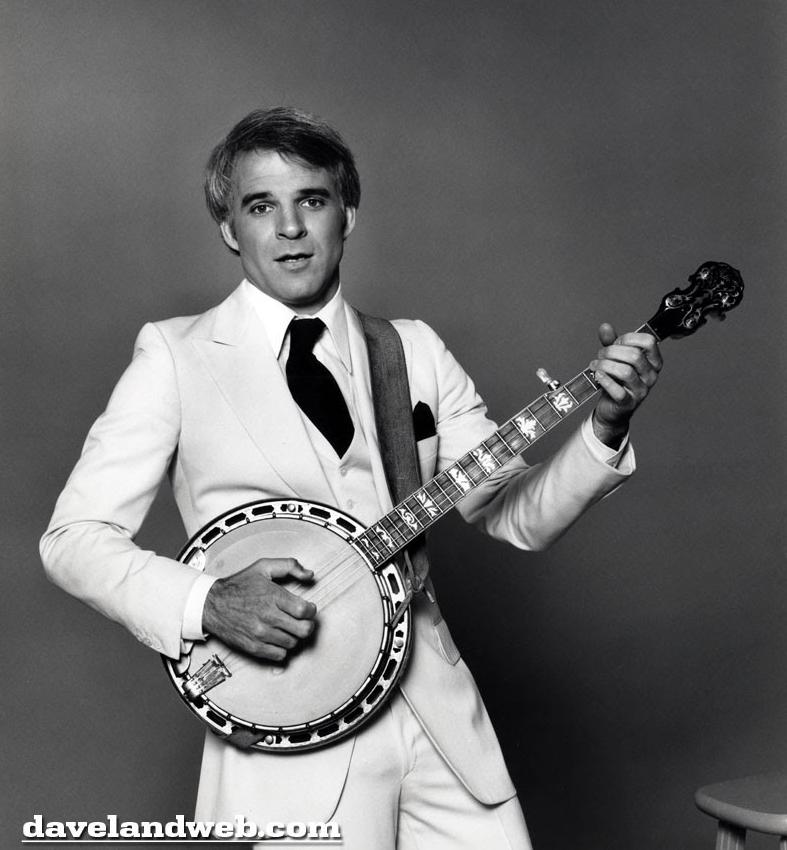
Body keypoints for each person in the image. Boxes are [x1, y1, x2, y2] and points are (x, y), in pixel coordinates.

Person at [40, 107, 662, 849]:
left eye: (312, 200)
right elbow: (73, 538)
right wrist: (207, 603)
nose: (290, 229)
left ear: (349, 214)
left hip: (440, 724)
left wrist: (606, 425)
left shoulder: (413, 351)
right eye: (260, 207)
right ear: (229, 229)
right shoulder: (176, 357)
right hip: (287, 727)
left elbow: (514, 514)